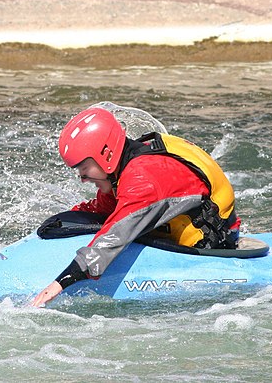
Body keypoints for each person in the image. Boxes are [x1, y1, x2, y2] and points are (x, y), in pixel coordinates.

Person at [31, 105, 240, 307]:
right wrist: (61, 221)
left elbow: (113, 238)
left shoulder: (143, 179)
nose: (82, 178)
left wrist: (60, 283)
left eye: (84, 168)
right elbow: (104, 210)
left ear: (106, 154)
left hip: (210, 248)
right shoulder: (126, 167)